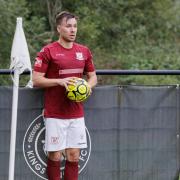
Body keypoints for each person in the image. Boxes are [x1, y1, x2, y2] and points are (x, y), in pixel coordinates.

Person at [32, 11, 97, 180]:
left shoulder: (84, 51)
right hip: (55, 113)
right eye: (68, 26)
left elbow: (93, 77)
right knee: (55, 155)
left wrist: (87, 87)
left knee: (74, 155)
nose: (73, 30)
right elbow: (36, 80)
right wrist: (59, 82)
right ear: (59, 28)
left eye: (75, 26)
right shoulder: (48, 51)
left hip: (76, 112)